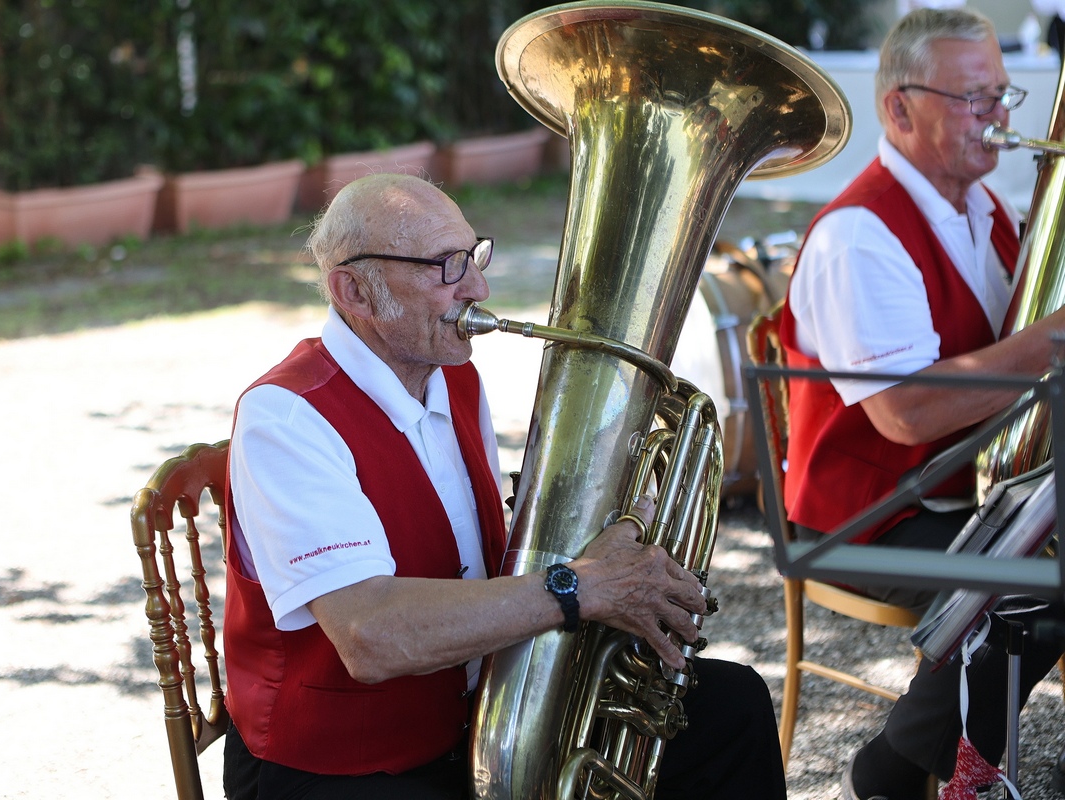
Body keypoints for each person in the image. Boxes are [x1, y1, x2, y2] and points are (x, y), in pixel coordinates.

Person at [219, 171, 786, 800]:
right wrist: (582, 585)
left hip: (470, 716)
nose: (478, 288)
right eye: (446, 267)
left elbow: (477, 554)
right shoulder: (288, 416)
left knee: (734, 708)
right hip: (340, 765)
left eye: (475, 256)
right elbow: (369, 637)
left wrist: (624, 522)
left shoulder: (453, 378)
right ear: (353, 290)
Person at [780, 8, 1065, 800]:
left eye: (1003, 95)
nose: (1001, 117)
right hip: (867, 514)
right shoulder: (859, 237)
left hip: (956, 490)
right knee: (1037, 571)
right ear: (899, 108)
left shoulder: (988, 209)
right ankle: (905, 771)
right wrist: (1054, 339)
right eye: (976, 99)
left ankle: (905, 761)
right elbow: (905, 415)